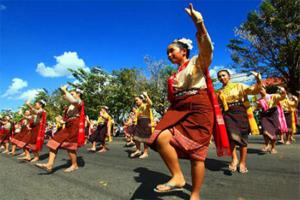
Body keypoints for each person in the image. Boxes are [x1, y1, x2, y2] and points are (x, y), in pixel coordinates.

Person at [146, 4, 215, 199]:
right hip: (180, 109)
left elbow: (206, 47)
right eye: (167, 52)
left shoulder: (197, 62)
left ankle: (195, 194)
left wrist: (199, 23)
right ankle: (177, 177)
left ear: (184, 51)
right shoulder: (174, 76)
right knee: (161, 137)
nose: (169, 55)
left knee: (197, 156)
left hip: (199, 109)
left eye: (172, 51)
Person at [217, 69, 262, 173]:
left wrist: (258, 80)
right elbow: (216, 103)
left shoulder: (239, 86)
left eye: (223, 75)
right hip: (227, 114)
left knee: (242, 139)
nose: (221, 78)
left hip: (241, 112)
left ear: (229, 76)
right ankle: (234, 159)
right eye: (219, 77)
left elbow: (254, 91)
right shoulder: (219, 91)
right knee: (230, 137)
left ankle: (242, 162)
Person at [35, 86, 85, 172]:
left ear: (78, 94)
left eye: (72, 93)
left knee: (70, 147)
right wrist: (62, 121)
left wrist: (65, 90)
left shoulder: (80, 101)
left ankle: (74, 165)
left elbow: (72, 100)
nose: (70, 95)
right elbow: (66, 97)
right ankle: (49, 165)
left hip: (74, 126)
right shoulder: (70, 106)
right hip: (68, 125)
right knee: (53, 142)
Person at [257, 86, 286, 154]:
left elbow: (282, 97)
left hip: (273, 114)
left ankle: (273, 147)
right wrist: (258, 106)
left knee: (274, 131)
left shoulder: (273, 96)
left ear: (265, 89)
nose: (260, 91)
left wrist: (283, 91)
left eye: (261, 89)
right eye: (259, 90)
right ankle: (267, 145)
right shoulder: (259, 100)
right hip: (264, 115)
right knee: (265, 131)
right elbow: (256, 108)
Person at [130, 92, 153, 159]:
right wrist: (133, 118)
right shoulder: (138, 109)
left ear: (141, 100)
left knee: (145, 138)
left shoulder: (146, 105)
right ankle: (138, 150)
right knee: (136, 136)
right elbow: (135, 118)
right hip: (139, 123)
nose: (136, 102)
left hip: (146, 122)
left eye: (137, 100)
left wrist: (146, 95)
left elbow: (151, 103)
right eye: (135, 101)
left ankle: (145, 153)